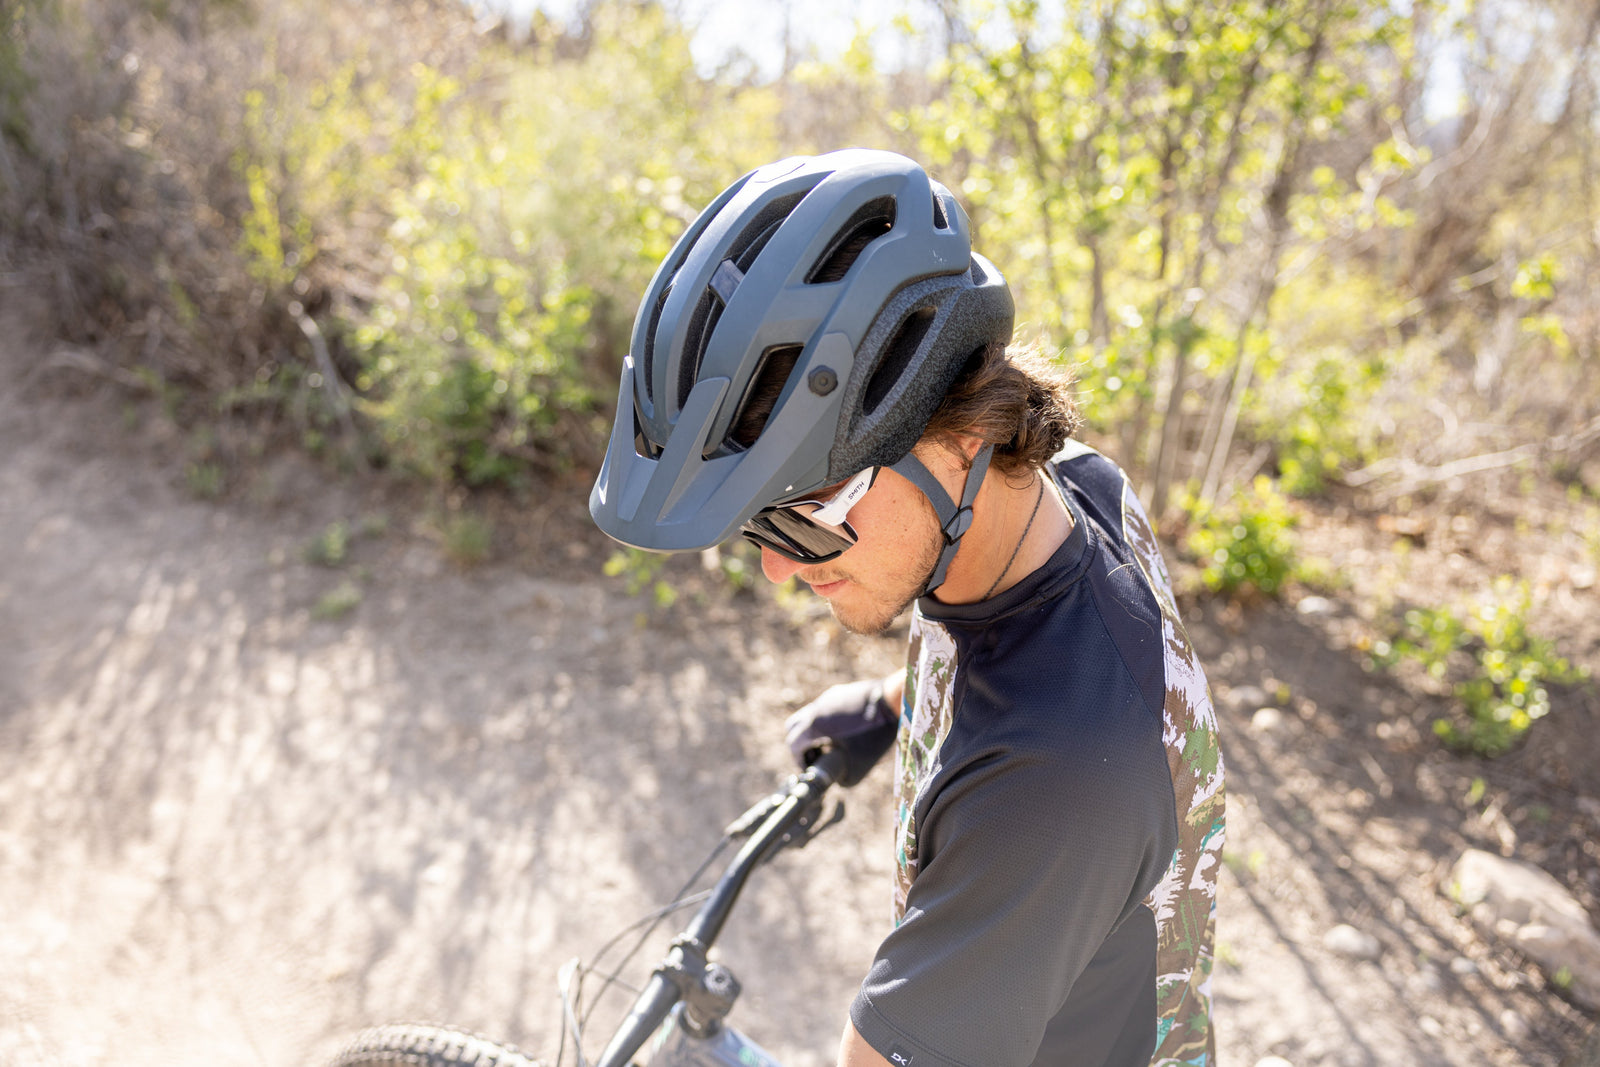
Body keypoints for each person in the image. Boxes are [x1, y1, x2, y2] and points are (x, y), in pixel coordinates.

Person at [590, 148, 1225, 1067]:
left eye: (804, 516)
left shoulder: (1047, 792)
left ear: (961, 438)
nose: (775, 567)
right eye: (752, 524)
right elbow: (1048, 645)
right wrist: (898, 702)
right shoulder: (1076, 492)